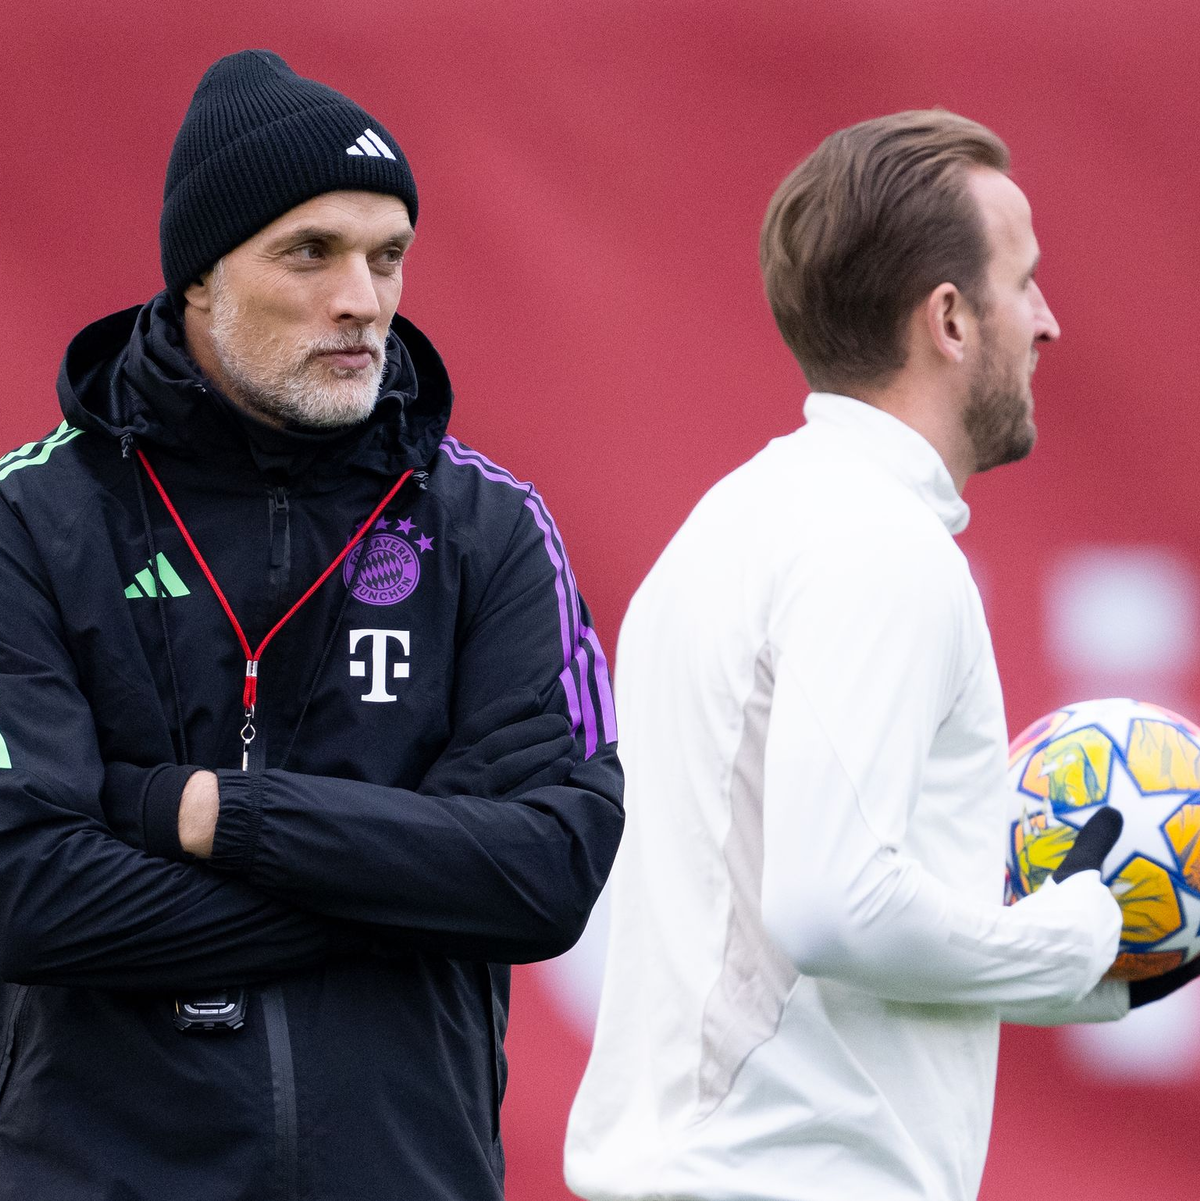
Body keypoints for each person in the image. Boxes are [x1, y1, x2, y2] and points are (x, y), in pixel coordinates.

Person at [0, 50, 622, 1201]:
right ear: (198, 276)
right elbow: (25, 890)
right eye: (311, 252)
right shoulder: (31, 519)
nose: (364, 299)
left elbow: (551, 868)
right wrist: (406, 885)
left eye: (388, 257)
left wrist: (191, 809)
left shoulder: (488, 525)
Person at [564, 110, 1196, 1201]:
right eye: (1025, 282)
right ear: (949, 318)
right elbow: (834, 906)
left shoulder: (734, 523)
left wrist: (1106, 976)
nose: (1046, 321)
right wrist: (1084, 927)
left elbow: (826, 937)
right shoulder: (878, 547)